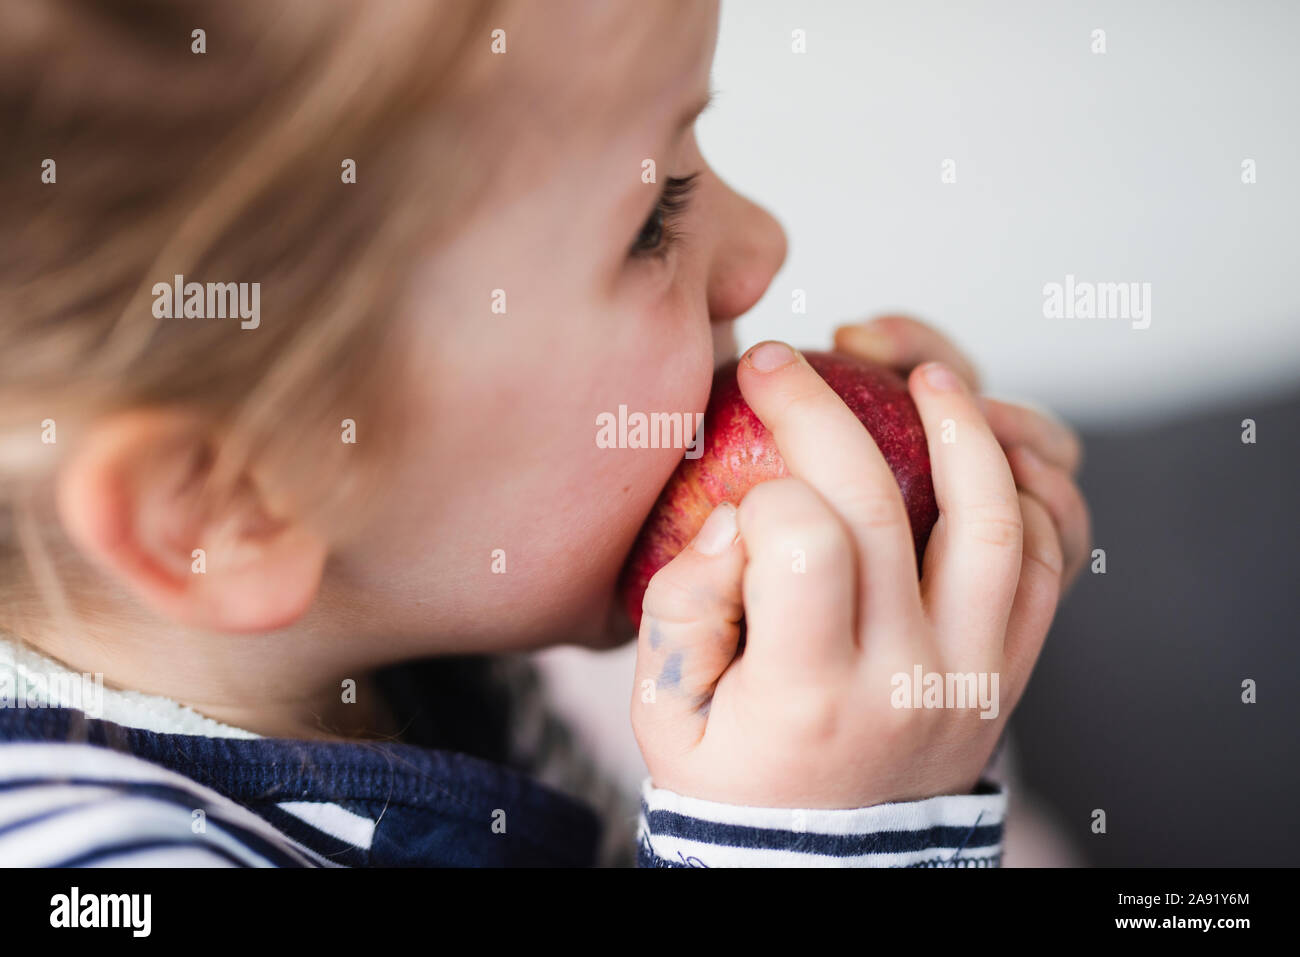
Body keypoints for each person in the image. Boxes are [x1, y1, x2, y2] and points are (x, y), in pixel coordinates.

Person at [0, 0, 1088, 867]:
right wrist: (822, 838)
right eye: (653, 213)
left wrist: (842, 673)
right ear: (232, 506)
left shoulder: (409, 639)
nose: (762, 248)